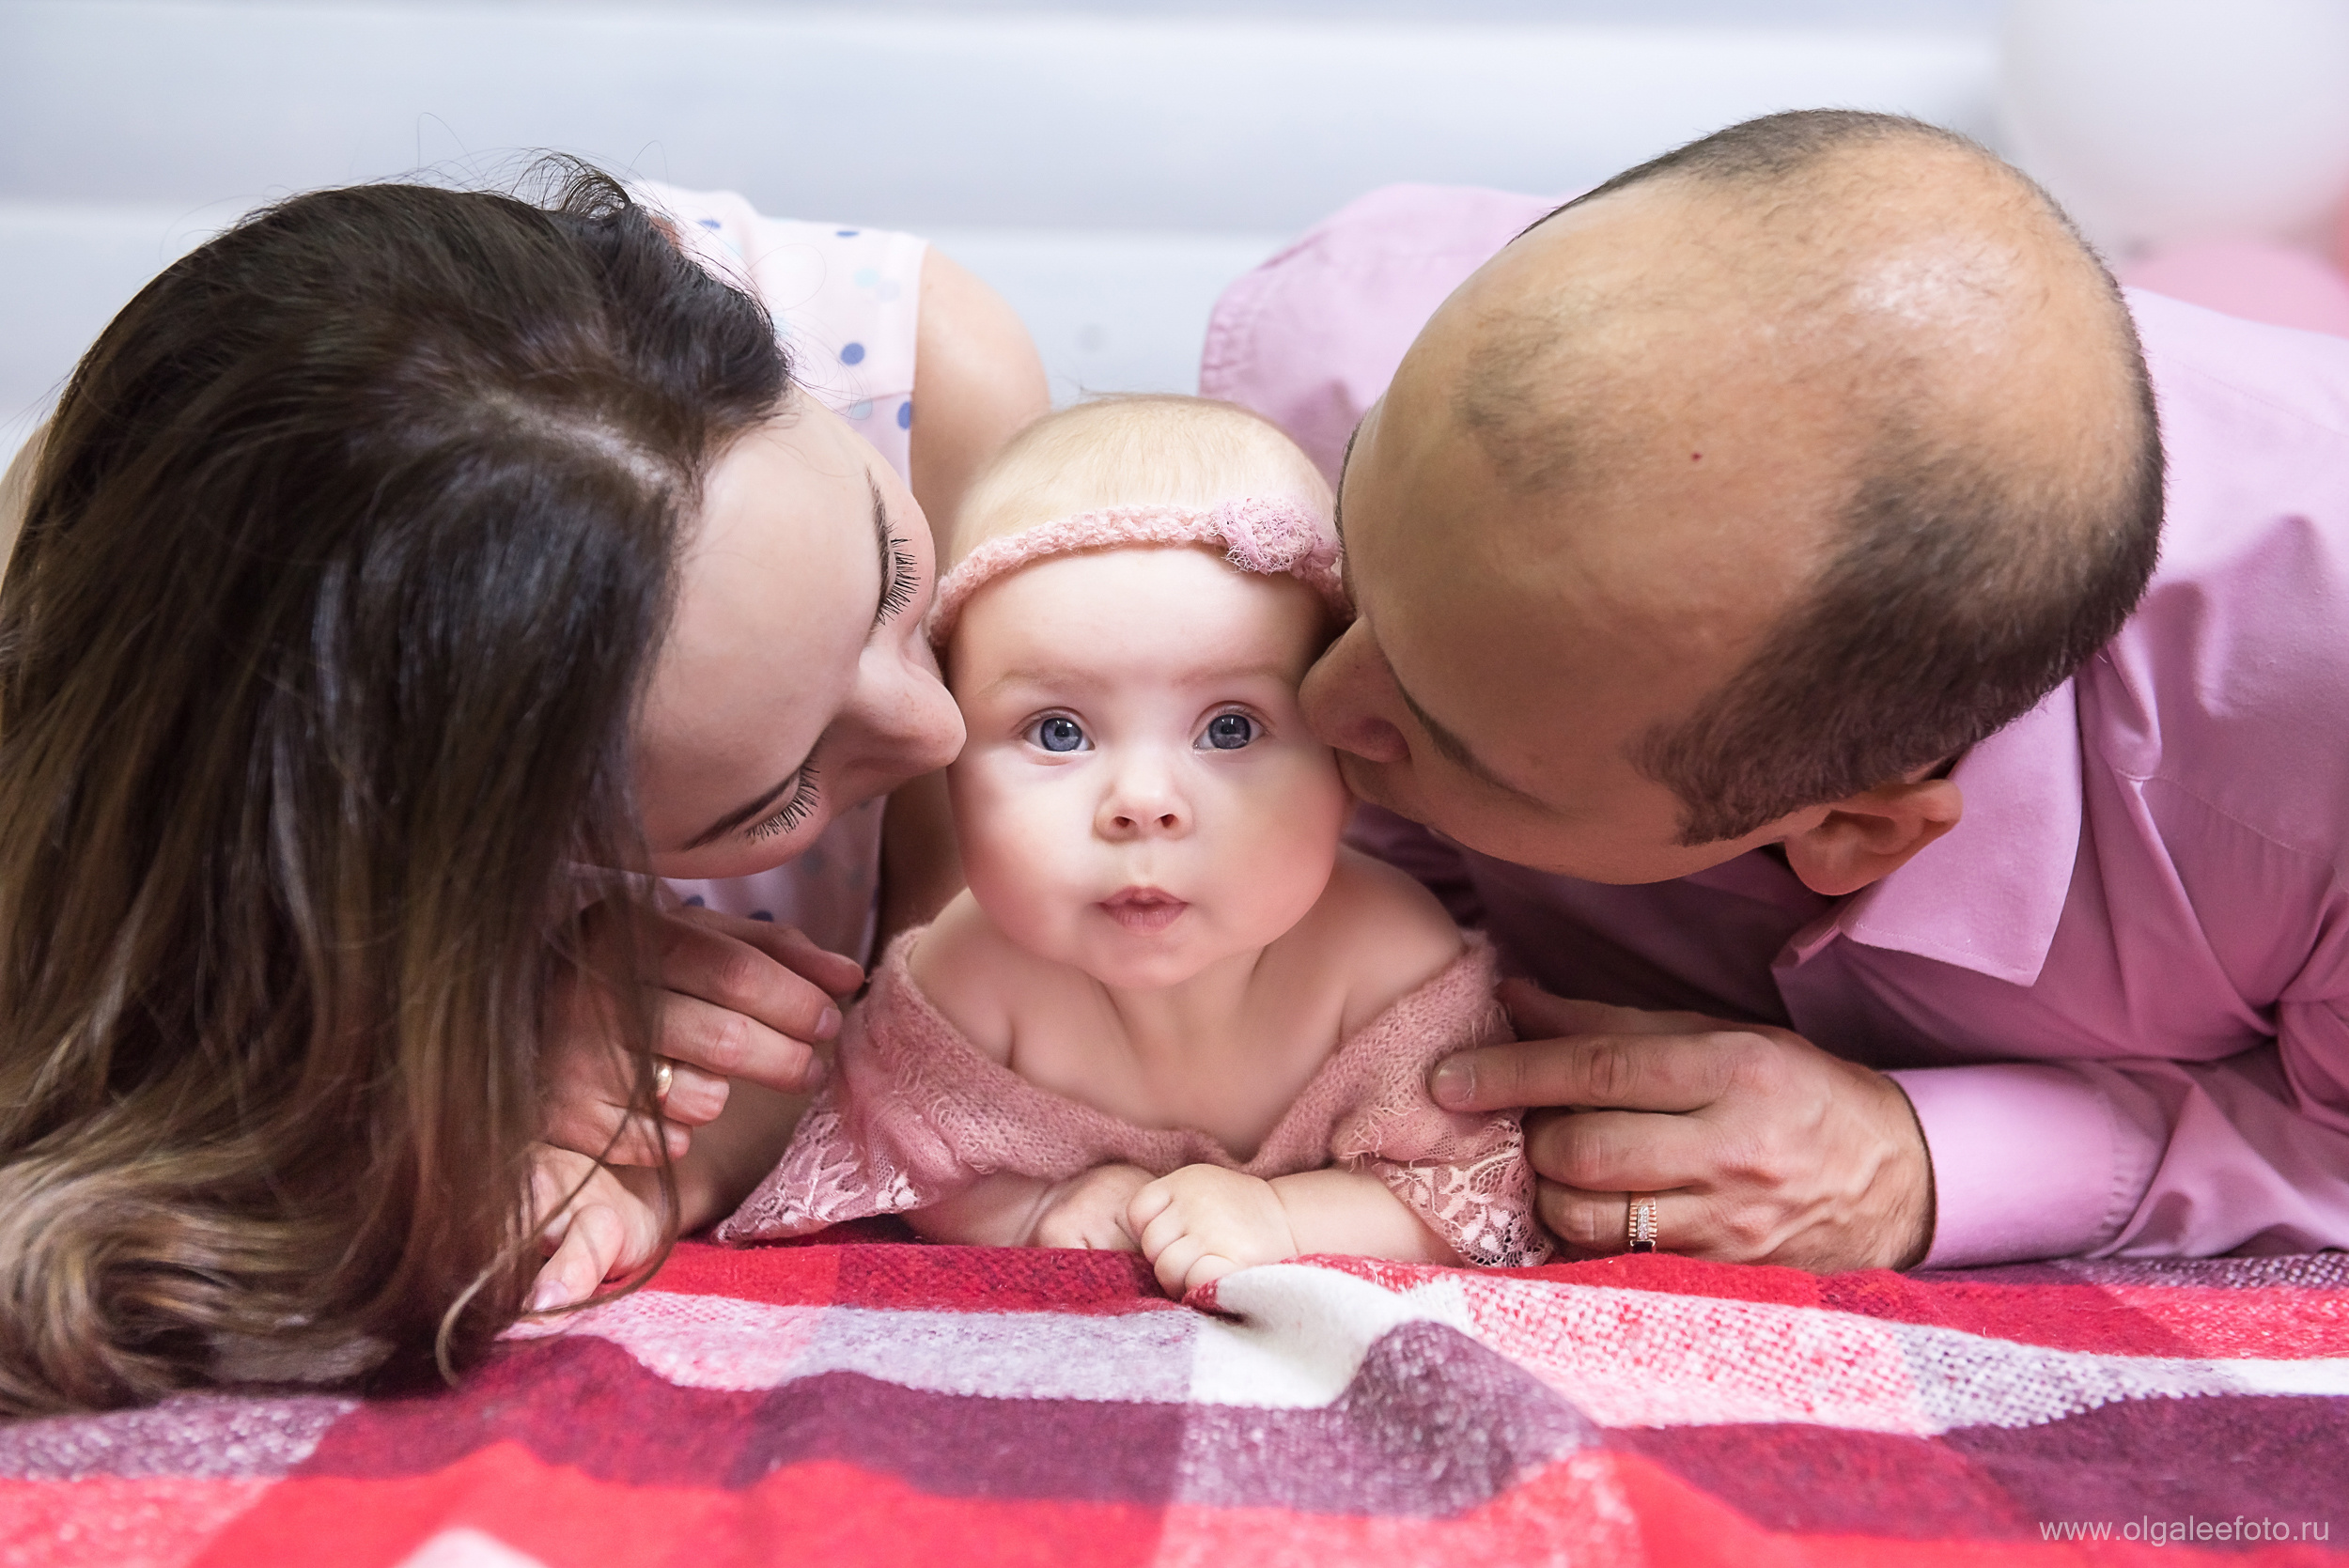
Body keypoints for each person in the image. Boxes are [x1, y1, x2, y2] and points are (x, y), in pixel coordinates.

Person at [1206, 107, 2349, 1272]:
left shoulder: (2321, 751)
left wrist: (1926, 1165)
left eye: (1444, 734)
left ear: (1854, 828)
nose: (1308, 698)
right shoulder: (1323, 379)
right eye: (1358, 556)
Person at [0, 162, 1043, 1415]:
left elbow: (979, 1044)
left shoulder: (931, 378)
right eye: (771, 800)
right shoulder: (118, 706)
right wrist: (475, 1061)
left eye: (890, 575)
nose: (943, 734)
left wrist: (681, 1133)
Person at [718, 396, 1550, 1295]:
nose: (1142, 804)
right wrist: (1034, 1210)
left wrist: (1282, 1217)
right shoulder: (965, 982)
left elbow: (1476, 1199)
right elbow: (905, 1158)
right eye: (1060, 730)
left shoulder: (1389, 966)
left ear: (1344, 756)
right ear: (952, 756)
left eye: (1229, 728)